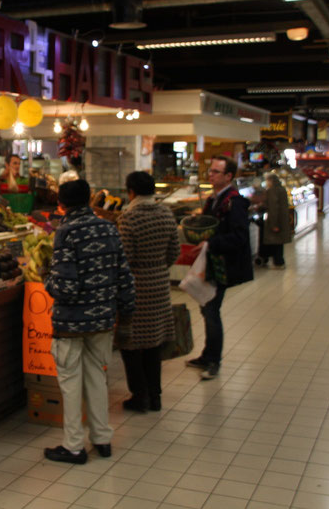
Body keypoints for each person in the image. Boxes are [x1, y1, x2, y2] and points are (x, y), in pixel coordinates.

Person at [43, 179, 135, 464]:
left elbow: (66, 288)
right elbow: (124, 275)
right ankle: (102, 438)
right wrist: (126, 312)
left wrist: (48, 280)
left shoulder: (66, 232)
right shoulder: (109, 227)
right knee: (97, 378)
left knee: (71, 383)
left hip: (72, 323)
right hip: (103, 320)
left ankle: (73, 446)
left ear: (62, 203)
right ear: (89, 200)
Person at [116, 171, 180, 413]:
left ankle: (139, 396)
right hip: (160, 286)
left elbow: (125, 258)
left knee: (130, 344)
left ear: (131, 191)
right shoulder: (166, 213)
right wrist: (158, 268)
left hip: (136, 288)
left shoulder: (129, 217)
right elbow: (174, 251)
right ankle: (155, 396)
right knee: (153, 344)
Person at [186, 155, 253, 380]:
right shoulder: (214, 199)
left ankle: (213, 360)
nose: (210, 175)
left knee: (212, 311)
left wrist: (211, 243)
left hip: (223, 265)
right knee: (207, 309)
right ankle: (207, 354)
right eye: (210, 171)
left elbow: (240, 236)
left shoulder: (235, 202)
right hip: (212, 263)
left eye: (216, 172)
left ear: (228, 176)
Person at [261, 173, 292, 268]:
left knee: (275, 241)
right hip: (282, 219)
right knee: (279, 242)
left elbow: (273, 207)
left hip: (276, 220)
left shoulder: (272, 191)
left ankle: (278, 262)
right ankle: (279, 261)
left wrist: (274, 224)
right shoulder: (281, 188)